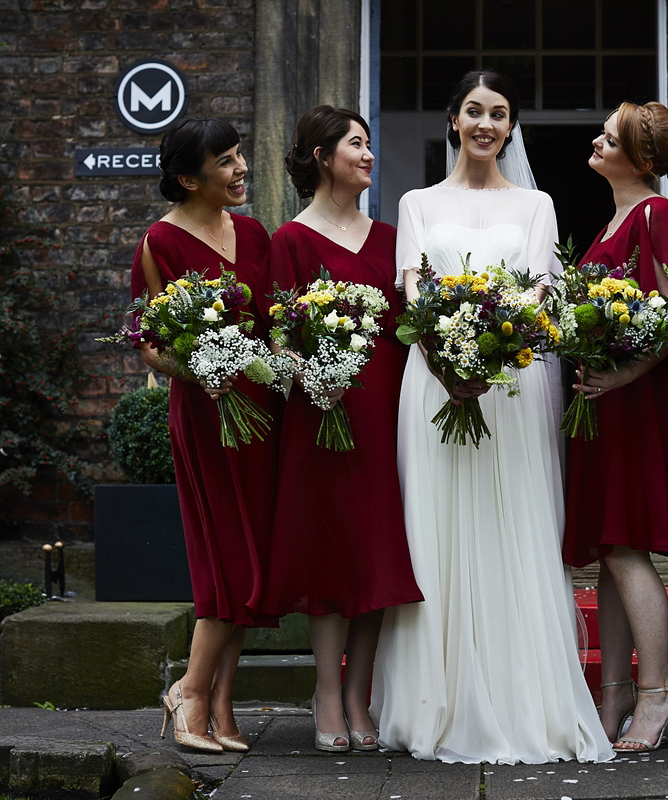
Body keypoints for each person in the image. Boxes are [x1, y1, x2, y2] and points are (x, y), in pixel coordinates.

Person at [370, 70, 614, 765]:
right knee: (438, 531)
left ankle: (526, 703)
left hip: (512, 387)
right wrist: (450, 366)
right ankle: (433, 705)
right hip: (433, 383)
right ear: (453, 120)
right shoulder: (416, 202)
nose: (485, 123)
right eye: (473, 110)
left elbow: (538, 295)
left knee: (515, 529)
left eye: (498, 114)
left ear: (511, 128)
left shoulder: (538, 205)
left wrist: (488, 362)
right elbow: (414, 294)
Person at [259, 105, 423, 752]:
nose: (368, 154)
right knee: (331, 554)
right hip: (322, 413)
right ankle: (327, 693)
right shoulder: (290, 241)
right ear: (323, 157)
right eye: (356, 144)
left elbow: (409, 328)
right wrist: (309, 376)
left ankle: (361, 695)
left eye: (370, 144)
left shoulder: (389, 240)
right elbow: (276, 335)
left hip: (384, 410)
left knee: (377, 553)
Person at [131, 117, 281, 754]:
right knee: (226, 558)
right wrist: (200, 367)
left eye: (239, 155)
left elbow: (273, 321)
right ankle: (189, 693)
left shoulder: (252, 232)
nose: (241, 168)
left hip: (260, 412)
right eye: (226, 160)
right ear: (189, 178)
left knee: (252, 561)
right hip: (205, 415)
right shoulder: (159, 243)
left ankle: (223, 704)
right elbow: (149, 345)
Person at [562, 101, 668, 753]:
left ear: (641, 161)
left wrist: (623, 376)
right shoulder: (613, 217)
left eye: (608, 138)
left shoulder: (656, 214)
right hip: (601, 401)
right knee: (610, 552)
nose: (596, 140)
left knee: (626, 547)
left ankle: (658, 691)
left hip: (632, 401)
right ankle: (613, 693)